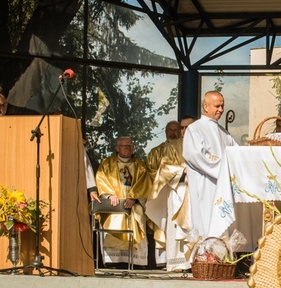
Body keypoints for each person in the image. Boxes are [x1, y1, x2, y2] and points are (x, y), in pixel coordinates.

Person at [183, 91, 238, 239]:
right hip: (205, 185)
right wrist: (224, 170)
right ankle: (206, 259)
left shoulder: (224, 133)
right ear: (206, 107)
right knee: (206, 222)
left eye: (222, 106)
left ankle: (222, 259)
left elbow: (236, 154)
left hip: (223, 186)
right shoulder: (194, 129)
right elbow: (196, 156)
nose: (221, 109)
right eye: (217, 106)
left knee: (223, 227)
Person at [95, 137, 153, 267]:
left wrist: (134, 197)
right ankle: (112, 261)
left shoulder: (140, 165)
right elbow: (101, 179)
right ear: (117, 148)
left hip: (133, 205)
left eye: (130, 146)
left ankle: (136, 262)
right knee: (113, 219)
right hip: (113, 205)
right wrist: (109, 195)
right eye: (124, 146)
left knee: (137, 216)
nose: (128, 148)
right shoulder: (107, 163)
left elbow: (144, 183)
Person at [145, 137, 192, 272]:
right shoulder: (172, 146)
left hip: (196, 192)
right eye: (183, 128)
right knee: (176, 226)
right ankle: (178, 263)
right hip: (178, 190)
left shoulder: (202, 143)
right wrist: (182, 171)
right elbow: (164, 168)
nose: (185, 131)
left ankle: (195, 262)